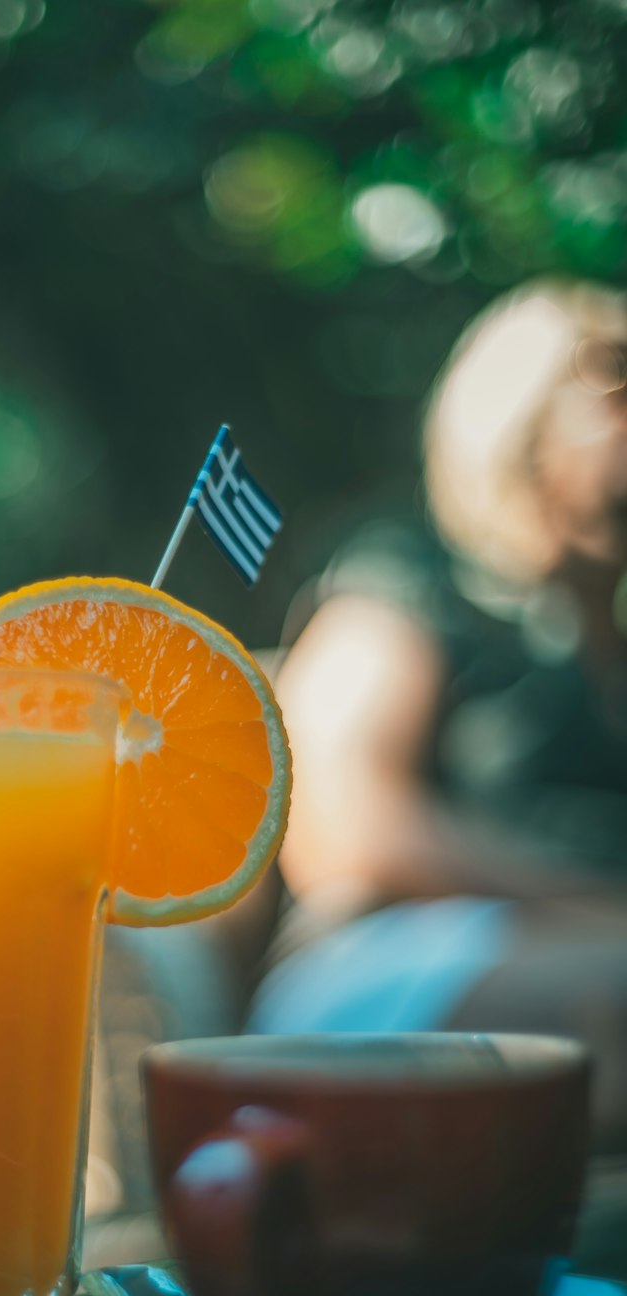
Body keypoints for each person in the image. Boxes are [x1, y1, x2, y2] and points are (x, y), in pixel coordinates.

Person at [248, 279, 627, 1150]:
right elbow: (344, 827)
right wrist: (594, 905)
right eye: (617, 377)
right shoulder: (414, 578)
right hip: (391, 970)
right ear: (519, 413)